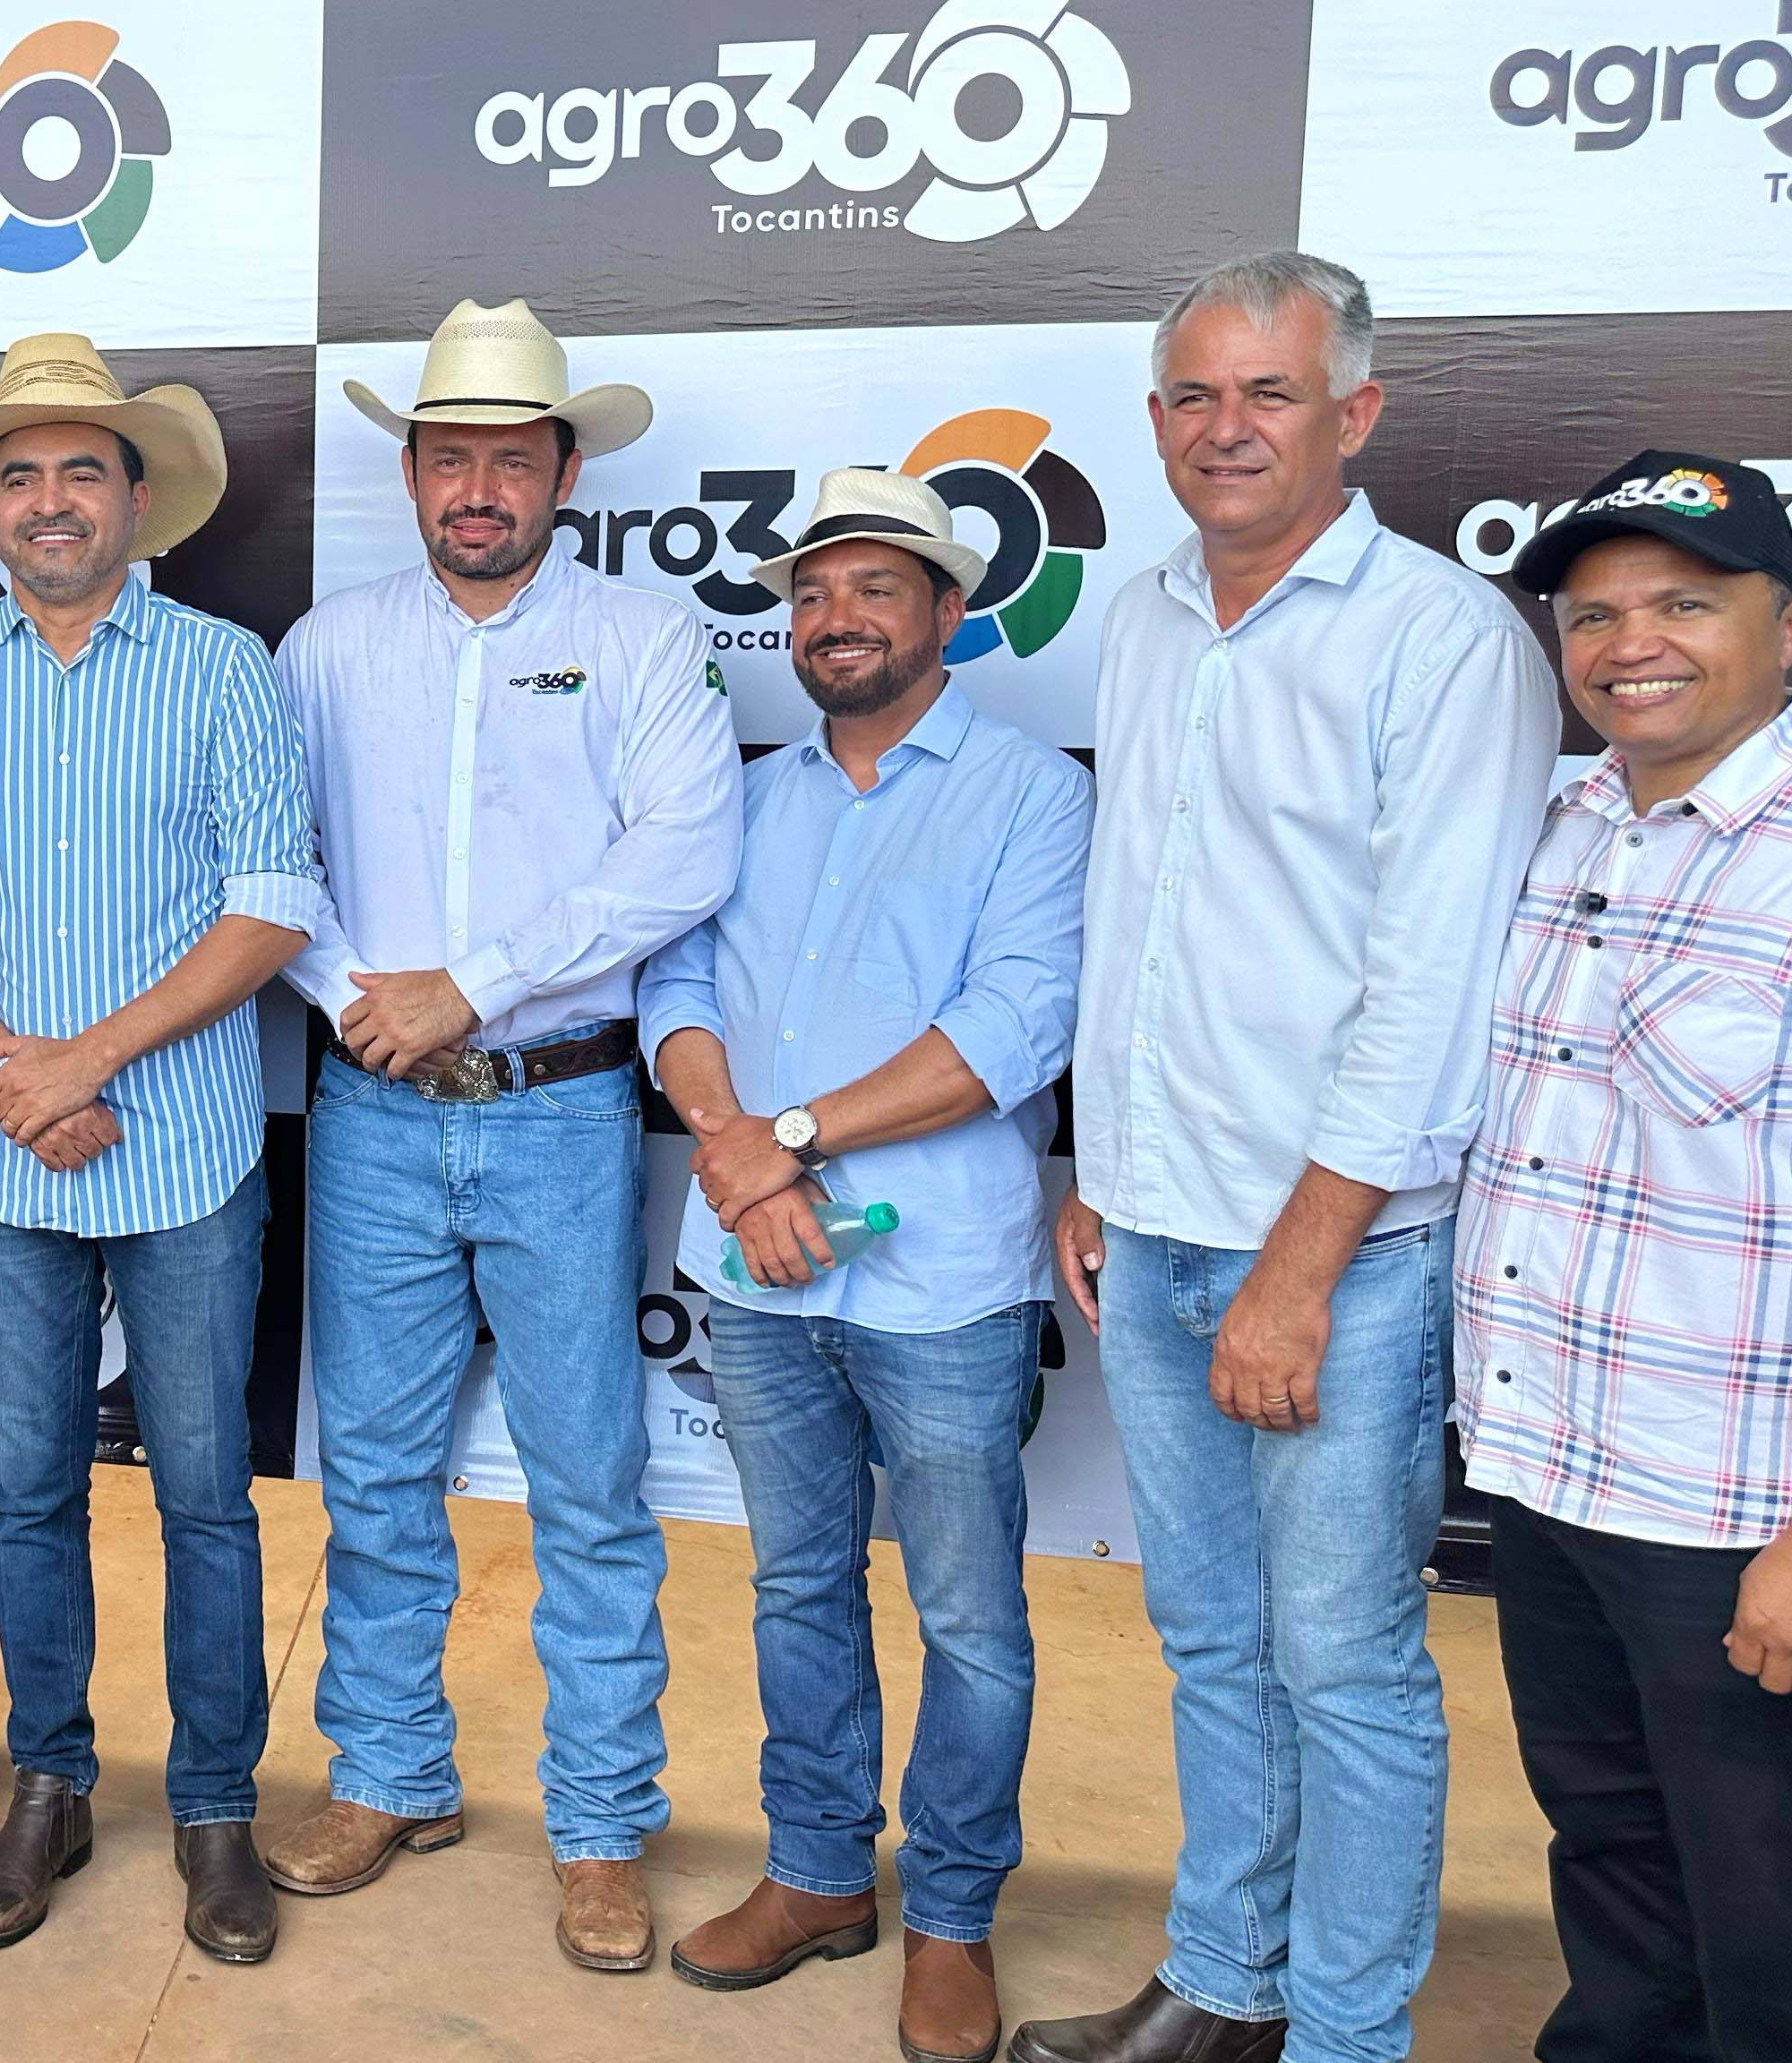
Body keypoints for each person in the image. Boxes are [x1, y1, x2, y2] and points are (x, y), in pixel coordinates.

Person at [1009, 254, 1559, 2063]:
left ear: (1356, 414)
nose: (1224, 428)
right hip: (1157, 1225)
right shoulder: (1150, 612)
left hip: (1338, 1259)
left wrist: (1298, 1270)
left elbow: (1430, 992)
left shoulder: (1442, 639)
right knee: (1213, 1644)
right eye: (1193, 395)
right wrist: (1099, 1163)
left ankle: (1341, 2037)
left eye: (1268, 393)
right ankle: (1223, 1988)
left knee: (1347, 1668)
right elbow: (1143, 925)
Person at [263, 297, 734, 1975]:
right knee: (377, 1475)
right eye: (450, 456)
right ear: (409, 472)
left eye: (512, 458)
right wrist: (356, 997)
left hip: (563, 1109)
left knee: (590, 1483)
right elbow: (270, 863)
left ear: (565, 471)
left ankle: (600, 1827)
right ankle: (388, 1775)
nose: (480, 487)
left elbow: (684, 855)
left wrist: (466, 986)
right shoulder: (327, 646)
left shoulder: (645, 639)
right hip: (374, 1110)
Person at [0, 333, 322, 1963]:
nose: (50, 500)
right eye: (21, 475)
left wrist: (86, 1059)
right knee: (36, 1494)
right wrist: (13, 1071)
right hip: (6, 1155)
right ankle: (49, 1788)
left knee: (205, 1498)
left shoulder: (224, 666)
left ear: (138, 500)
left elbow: (274, 901)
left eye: (81, 470)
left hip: (181, 1147)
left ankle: (214, 1810)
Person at [643, 469, 1092, 2063]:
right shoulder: (747, 795)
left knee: (968, 1617)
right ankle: (820, 1874)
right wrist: (730, 1150)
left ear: (949, 614)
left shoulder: (1034, 794)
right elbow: (675, 983)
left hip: (942, 1285)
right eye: (812, 593)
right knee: (795, 1585)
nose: (835, 618)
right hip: (757, 1268)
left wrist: (786, 1141)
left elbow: (1018, 1024)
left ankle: (954, 1915)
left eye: (875, 587)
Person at [1461, 451, 1792, 2060]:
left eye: (1685, 603)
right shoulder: (1548, 829)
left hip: (1744, 1514)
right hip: (1549, 1476)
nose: (1632, 644)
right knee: (1614, 1873)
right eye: (1594, 614)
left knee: (1789, 1932)